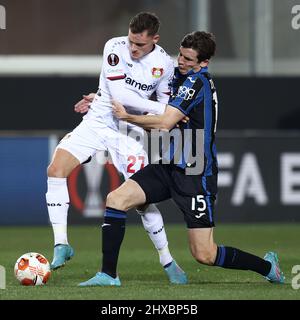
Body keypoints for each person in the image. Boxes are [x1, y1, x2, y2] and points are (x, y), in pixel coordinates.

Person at [79, 31, 285, 286]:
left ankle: (267, 267)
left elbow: (164, 123)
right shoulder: (175, 76)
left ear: (203, 63)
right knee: (116, 199)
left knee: (204, 254)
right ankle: (108, 275)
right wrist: (100, 100)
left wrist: (127, 117)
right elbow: (140, 97)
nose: (182, 62)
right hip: (168, 164)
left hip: (195, 172)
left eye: (189, 59)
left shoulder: (198, 83)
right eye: (181, 55)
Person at [46, 12, 187, 284]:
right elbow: (122, 97)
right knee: (55, 169)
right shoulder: (114, 47)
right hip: (98, 121)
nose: (133, 49)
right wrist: (166, 111)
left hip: (129, 132)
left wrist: (165, 110)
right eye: (131, 41)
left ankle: (167, 260)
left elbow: (163, 103)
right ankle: (61, 244)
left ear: (155, 40)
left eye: (140, 45)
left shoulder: (165, 64)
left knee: (142, 201)